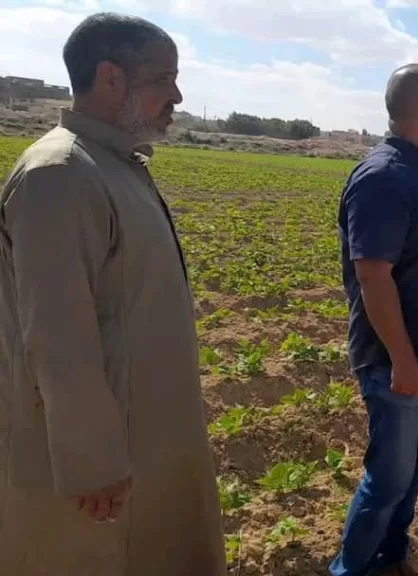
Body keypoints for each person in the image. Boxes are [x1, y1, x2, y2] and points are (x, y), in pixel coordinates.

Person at [0, 12, 227, 576]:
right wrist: (91, 459)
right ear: (110, 78)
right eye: (163, 79)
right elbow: (55, 334)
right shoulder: (60, 172)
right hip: (106, 465)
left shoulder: (114, 163)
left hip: (147, 431)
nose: (176, 94)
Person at [328, 63, 418, 576]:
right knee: (388, 477)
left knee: (413, 469)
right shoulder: (384, 177)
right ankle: (352, 570)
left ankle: (389, 557)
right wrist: (404, 362)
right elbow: (374, 279)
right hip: (397, 366)